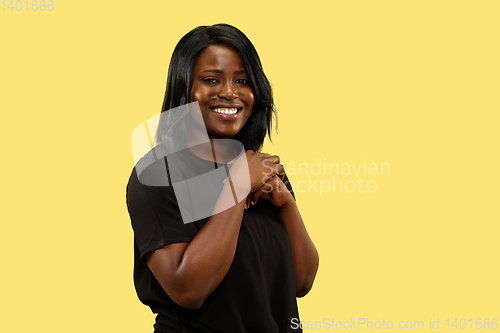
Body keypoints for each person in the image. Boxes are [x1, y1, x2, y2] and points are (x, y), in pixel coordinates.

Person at [126, 24, 319, 333]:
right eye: (211, 80)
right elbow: (189, 291)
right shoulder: (158, 174)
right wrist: (237, 185)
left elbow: (302, 282)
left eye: (242, 80)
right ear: (184, 89)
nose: (230, 92)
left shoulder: (259, 167)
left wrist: (286, 204)